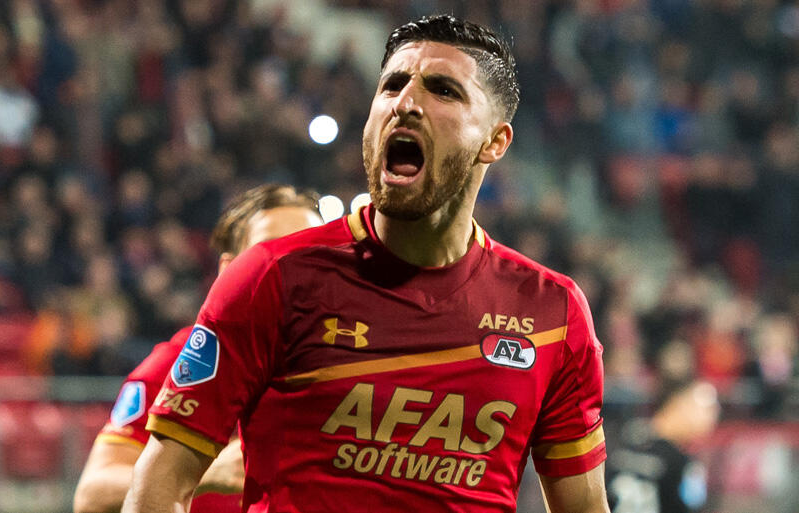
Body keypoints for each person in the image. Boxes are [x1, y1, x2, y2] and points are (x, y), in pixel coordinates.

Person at [123, 15, 609, 513]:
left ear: (494, 141)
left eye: (443, 90)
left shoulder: (553, 313)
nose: (406, 103)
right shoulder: (273, 276)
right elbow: (157, 486)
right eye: (392, 85)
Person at [73, 184, 323, 513]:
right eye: (271, 255)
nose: (296, 272)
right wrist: (206, 471)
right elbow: (92, 494)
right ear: (229, 270)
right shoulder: (183, 362)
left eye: (313, 255)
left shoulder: (364, 362)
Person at [606, 380, 720, 513]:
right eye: (707, 407)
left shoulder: (620, 437)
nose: (713, 415)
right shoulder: (682, 463)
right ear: (678, 404)